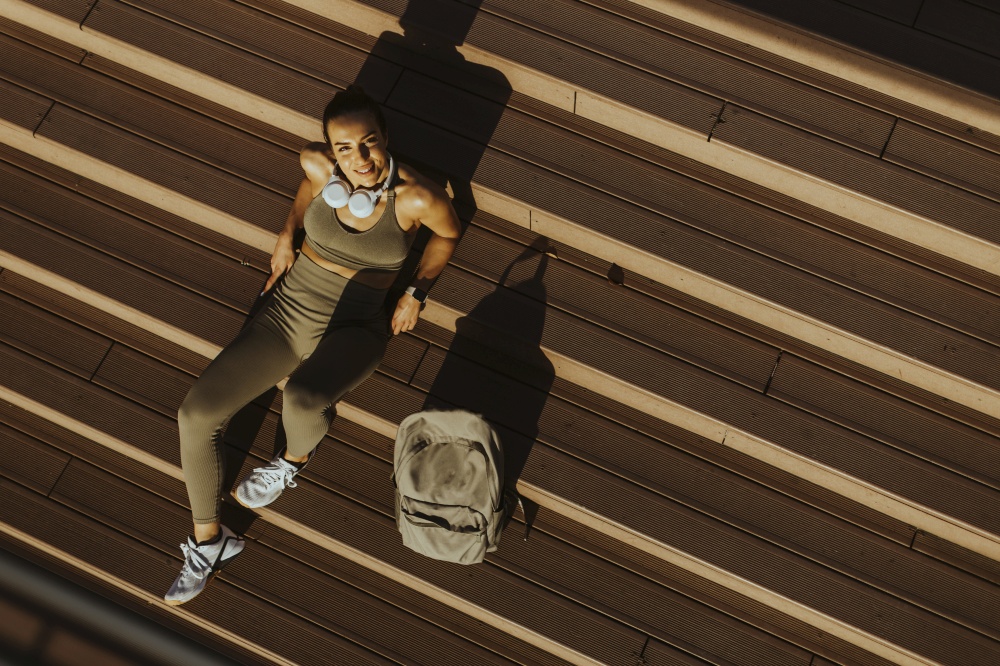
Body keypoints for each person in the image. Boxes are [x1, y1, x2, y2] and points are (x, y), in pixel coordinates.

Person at [164, 86, 462, 605]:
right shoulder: (319, 168)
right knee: (195, 415)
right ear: (332, 149)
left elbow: (447, 236)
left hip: (356, 323)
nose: (360, 160)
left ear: (386, 138)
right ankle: (209, 541)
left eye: (369, 143)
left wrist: (416, 291)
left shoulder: (417, 197)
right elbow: (306, 187)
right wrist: (286, 233)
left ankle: (291, 462)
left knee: (301, 398)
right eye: (345, 148)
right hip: (287, 311)